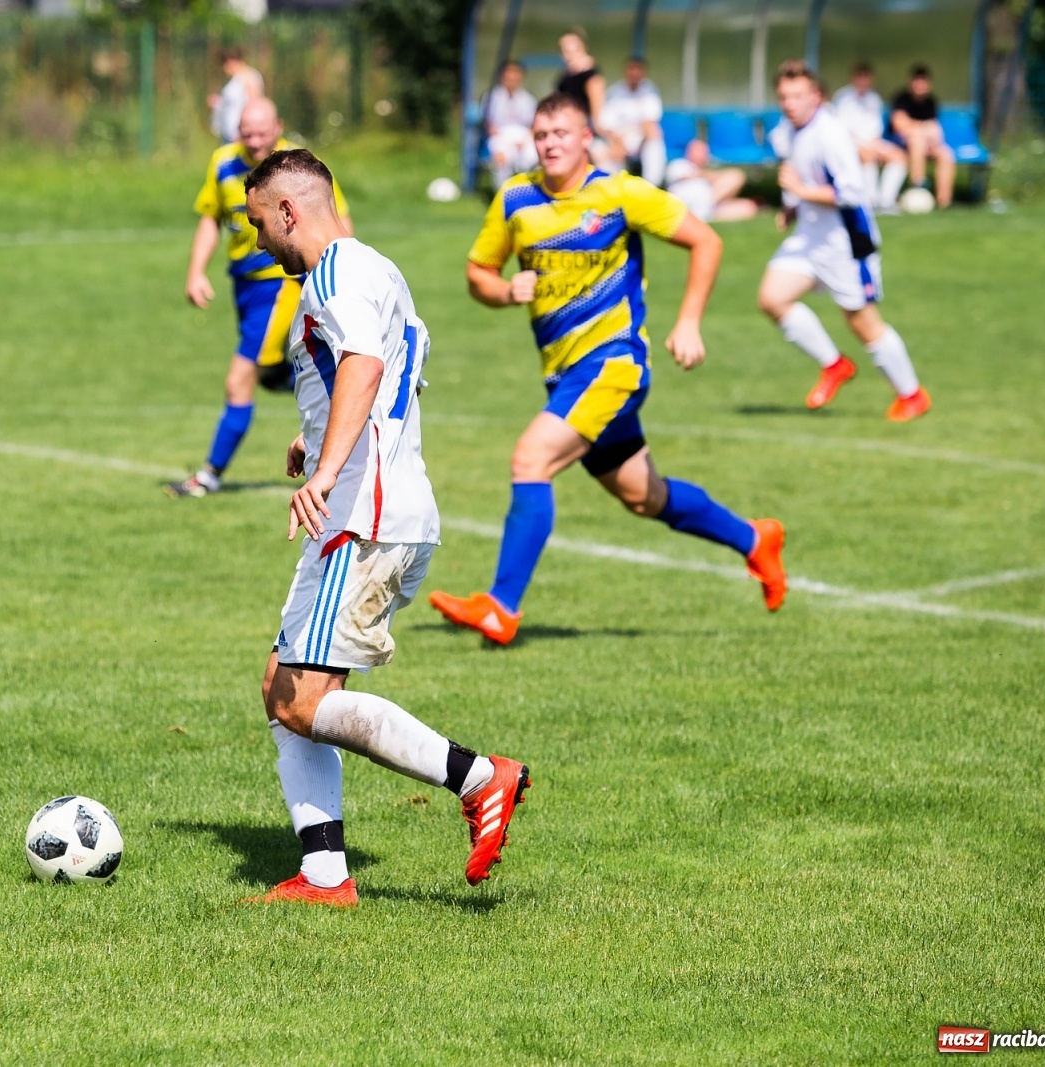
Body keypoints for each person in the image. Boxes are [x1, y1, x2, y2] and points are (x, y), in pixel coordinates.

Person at [242, 148, 530, 906]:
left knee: (301, 699)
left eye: (257, 225)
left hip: (360, 516)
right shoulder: (377, 268)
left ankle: (478, 777)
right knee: (282, 685)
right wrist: (317, 431)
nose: (258, 242)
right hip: (383, 508)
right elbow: (382, 372)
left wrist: (328, 471)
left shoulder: (334, 272)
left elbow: (366, 367)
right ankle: (325, 876)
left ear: (288, 211)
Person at [428, 93, 786, 646]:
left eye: (562, 133)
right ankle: (755, 539)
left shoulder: (618, 193)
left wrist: (688, 322)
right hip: (564, 374)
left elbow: (705, 240)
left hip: (614, 364)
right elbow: (478, 272)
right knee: (645, 496)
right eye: (542, 134)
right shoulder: (516, 198)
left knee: (531, 458)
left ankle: (501, 607)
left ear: (586, 137)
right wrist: (504, 291)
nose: (550, 143)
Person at [168, 98, 351, 499]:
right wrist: (196, 271)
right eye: (246, 133)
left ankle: (209, 475)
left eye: (262, 133)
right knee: (269, 373)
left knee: (240, 379)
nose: (254, 141)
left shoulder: (296, 167)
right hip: (244, 287)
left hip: (282, 282)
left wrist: (345, 270)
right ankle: (336, 386)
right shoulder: (222, 163)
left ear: (278, 127)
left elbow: (336, 218)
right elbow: (209, 219)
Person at [758, 61, 931, 421]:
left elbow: (852, 193)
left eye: (797, 96)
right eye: (784, 97)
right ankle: (834, 365)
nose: (789, 103)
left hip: (846, 243)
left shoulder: (831, 134)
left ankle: (912, 395)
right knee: (772, 298)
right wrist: (793, 206)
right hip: (810, 239)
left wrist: (801, 191)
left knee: (862, 322)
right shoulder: (791, 130)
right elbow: (804, 177)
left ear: (816, 97)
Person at [831, 62, 908, 214]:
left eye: (866, 78)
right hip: (849, 144)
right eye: (860, 77)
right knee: (867, 155)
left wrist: (874, 144)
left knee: (899, 156)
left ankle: (886, 200)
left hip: (872, 143)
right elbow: (841, 132)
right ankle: (870, 200)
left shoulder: (874, 99)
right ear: (853, 78)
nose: (863, 81)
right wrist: (864, 146)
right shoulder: (843, 98)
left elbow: (876, 131)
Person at [890, 64, 956, 209]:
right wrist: (922, 128)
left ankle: (944, 202)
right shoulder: (902, 99)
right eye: (917, 80)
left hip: (927, 145)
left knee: (946, 154)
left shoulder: (930, 102)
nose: (920, 84)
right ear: (911, 82)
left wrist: (927, 136)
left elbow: (935, 130)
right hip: (902, 145)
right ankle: (918, 187)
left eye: (923, 81)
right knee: (916, 139)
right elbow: (899, 125)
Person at [598, 56, 666, 182]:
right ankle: (614, 190)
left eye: (638, 69)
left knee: (655, 136)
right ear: (625, 71)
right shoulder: (614, 92)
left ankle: (651, 185)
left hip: (640, 138)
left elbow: (650, 123)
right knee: (602, 152)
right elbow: (605, 125)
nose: (634, 73)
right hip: (618, 138)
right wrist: (618, 143)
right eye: (631, 69)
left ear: (644, 72)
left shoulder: (650, 91)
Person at [664, 139, 758, 222]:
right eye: (698, 151)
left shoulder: (706, 171)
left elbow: (731, 178)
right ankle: (701, 214)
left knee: (749, 207)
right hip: (686, 207)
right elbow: (682, 178)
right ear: (689, 151)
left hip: (710, 206)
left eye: (704, 152)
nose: (702, 154)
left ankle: (704, 214)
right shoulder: (679, 164)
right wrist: (702, 175)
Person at [485, 60, 538, 187]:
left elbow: (533, 126)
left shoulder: (528, 99)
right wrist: (507, 140)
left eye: (516, 73)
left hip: (524, 138)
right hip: (501, 137)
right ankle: (502, 196)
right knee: (501, 159)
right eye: (509, 73)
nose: (512, 77)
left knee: (533, 158)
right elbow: (489, 126)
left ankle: (528, 194)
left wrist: (524, 140)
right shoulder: (492, 97)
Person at [207, 47, 265, 144]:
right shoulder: (235, 79)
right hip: (229, 133)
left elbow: (255, 104)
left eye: (225, 64)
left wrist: (247, 131)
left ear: (232, 61)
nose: (224, 68)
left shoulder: (249, 76)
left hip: (239, 135)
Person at [555, 29, 605, 122]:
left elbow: (596, 105)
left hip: (582, 122)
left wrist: (596, 125)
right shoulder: (567, 73)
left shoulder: (590, 75)